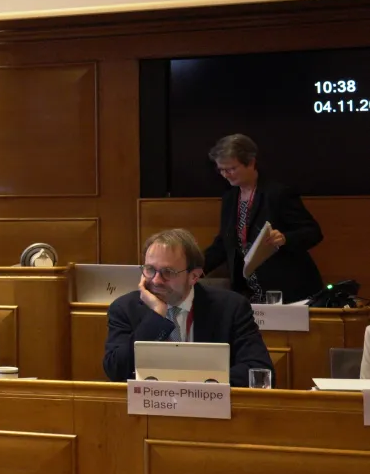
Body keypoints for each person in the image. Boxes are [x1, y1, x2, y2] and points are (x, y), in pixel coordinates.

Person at [104, 228, 273, 387]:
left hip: (212, 409)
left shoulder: (231, 307)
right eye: (149, 270)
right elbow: (116, 371)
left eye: (168, 272)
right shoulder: (124, 308)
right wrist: (156, 316)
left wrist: (194, 383)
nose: (156, 280)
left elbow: (259, 370)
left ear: (194, 276)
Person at [204, 134, 323, 303]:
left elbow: (313, 232)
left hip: (287, 289)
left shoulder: (278, 193)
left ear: (251, 162)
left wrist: (284, 238)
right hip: (250, 291)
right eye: (221, 170)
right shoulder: (230, 198)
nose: (225, 175)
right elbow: (224, 242)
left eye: (231, 169)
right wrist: (196, 269)